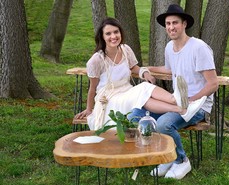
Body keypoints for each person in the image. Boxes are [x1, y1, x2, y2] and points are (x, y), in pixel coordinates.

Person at [128, 4, 219, 180]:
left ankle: (181, 160)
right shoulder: (170, 47)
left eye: (175, 23)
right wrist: (146, 68)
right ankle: (167, 156)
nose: (171, 27)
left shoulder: (199, 47)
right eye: (168, 24)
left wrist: (192, 99)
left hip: (198, 105)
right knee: (135, 116)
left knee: (163, 124)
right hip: (176, 101)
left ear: (184, 24)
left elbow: (213, 84)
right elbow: (169, 69)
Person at [75, 17, 204, 130]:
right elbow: (92, 89)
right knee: (142, 90)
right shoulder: (96, 60)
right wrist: (89, 109)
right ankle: (179, 104)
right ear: (102, 37)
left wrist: (144, 72)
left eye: (116, 32)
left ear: (120, 32)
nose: (113, 36)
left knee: (143, 95)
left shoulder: (125, 49)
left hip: (127, 91)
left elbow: (134, 68)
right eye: (108, 34)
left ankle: (179, 104)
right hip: (109, 99)